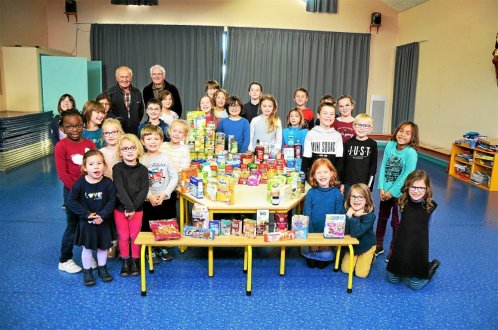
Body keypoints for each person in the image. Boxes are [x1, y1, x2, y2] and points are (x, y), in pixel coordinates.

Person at [54, 109, 96, 273]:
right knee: (73, 225)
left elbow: (95, 166)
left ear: (83, 125)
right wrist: (79, 191)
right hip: (73, 193)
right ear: (63, 128)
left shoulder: (89, 144)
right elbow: (63, 174)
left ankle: (88, 255)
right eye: (69, 127)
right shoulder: (61, 146)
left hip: (91, 191)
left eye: (78, 125)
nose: (75, 129)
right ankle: (64, 260)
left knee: (89, 224)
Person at [66, 150, 116, 286]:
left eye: (99, 163)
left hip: (103, 222)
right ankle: (87, 271)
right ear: (84, 167)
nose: (96, 167)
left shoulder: (108, 183)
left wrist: (102, 215)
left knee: (103, 247)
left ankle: (102, 268)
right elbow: (71, 201)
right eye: (91, 164)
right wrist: (87, 214)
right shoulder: (80, 183)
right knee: (87, 248)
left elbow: (112, 201)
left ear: (104, 166)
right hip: (87, 222)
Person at [386, 170, 440, 290]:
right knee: (392, 279)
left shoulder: (430, 207)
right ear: (407, 186)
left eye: (421, 188)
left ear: (427, 189)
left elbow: (427, 228)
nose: (416, 191)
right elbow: (401, 224)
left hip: (418, 247)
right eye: (413, 187)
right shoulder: (402, 202)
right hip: (402, 245)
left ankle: (431, 266)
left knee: (415, 285)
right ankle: (404, 264)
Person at [375, 121, 419, 260]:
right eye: (401, 130)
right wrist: (381, 187)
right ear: (396, 131)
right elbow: (383, 167)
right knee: (382, 218)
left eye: (408, 133)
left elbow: (407, 175)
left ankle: (394, 250)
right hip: (385, 191)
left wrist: (391, 192)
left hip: (400, 194)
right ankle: (378, 245)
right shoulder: (390, 145)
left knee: (396, 223)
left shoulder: (411, 153)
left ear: (413, 137)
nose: (403, 134)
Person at [140, 125, 179, 262]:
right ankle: (150, 249)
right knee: (148, 223)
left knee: (164, 223)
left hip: (165, 198)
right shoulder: (141, 160)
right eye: (149, 138)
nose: (153, 141)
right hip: (148, 199)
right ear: (142, 141)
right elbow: (140, 182)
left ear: (161, 140)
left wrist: (165, 194)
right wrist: (149, 195)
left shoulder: (166, 158)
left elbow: (174, 177)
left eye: (156, 138)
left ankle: (162, 247)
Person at [112, 134, 149, 277]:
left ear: (138, 149)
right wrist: (128, 208)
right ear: (120, 152)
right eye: (125, 148)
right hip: (121, 209)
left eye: (132, 147)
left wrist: (134, 208)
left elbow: (144, 190)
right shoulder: (117, 168)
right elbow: (119, 189)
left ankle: (135, 260)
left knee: (135, 235)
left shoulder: (143, 170)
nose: (129, 151)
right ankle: (125, 260)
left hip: (137, 209)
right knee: (123, 236)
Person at [301, 158, 343, 269]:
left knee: (321, 265)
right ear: (313, 176)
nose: (322, 175)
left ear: (332, 173)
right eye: (318, 172)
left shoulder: (337, 194)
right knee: (311, 264)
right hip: (312, 234)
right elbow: (306, 217)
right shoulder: (310, 193)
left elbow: (338, 219)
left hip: (328, 236)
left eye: (325, 172)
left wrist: (326, 242)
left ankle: (326, 250)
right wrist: (313, 241)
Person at [99, 118, 124, 259]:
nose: (110, 135)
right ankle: (111, 244)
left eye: (113, 132)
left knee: (121, 218)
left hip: (123, 191)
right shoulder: (101, 152)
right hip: (107, 191)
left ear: (119, 132)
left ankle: (123, 243)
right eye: (107, 133)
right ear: (103, 136)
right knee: (109, 219)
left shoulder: (124, 149)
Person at [341, 183, 376, 278]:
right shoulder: (348, 211)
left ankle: (372, 257)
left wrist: (355, 217)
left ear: (367, 200)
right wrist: (348, 216)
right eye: (353, 197)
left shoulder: (370, 216)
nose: (356, 200)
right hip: (353, 247)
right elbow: (344, 232)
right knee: (345, 270)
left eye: (361, 197)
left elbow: (356, 233)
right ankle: (356, 258)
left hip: (366, 246)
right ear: (349, 199)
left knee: (361, 274)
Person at [339, 113, 378, 196]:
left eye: (365, 126)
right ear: (353, 126)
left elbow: (373, 167)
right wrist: (342, 183)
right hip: (348, 183)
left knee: (362, 205)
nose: (361, 128)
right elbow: (343, 164)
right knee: (348, 205)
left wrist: (369, 186)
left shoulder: (373, 144)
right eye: (359, 125)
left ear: (370, 128)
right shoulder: (348, 143)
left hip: (364, 184)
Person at [302, 102, 343, 177]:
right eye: (325, 113)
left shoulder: (337, 136)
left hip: (331, 178)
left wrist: (336, 177)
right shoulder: (311, 134)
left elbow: (339, 161)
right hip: (314, 177)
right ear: (318, 115)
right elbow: (306, 158)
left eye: (331, 114)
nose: (328, 116)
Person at [105, 66, 144, 134]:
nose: (125, 79)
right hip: (117, 131)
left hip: (134, 131)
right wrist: (119, 122)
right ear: (117, 78)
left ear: (131, 78)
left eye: (127, 77)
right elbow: (107, 113)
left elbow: (140, 112)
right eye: (122, 77)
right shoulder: (109, 93)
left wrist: (134, 122)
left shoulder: (137, 92)